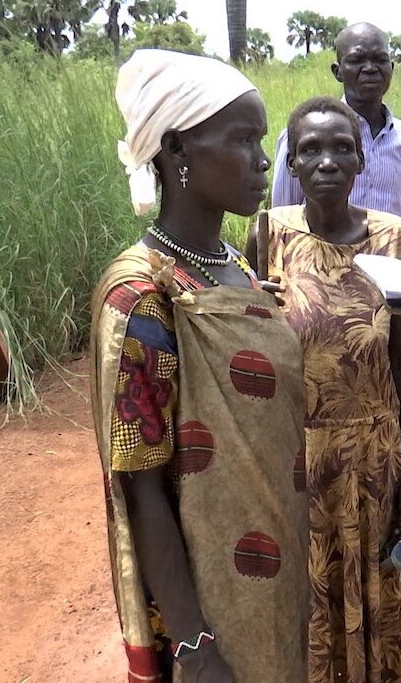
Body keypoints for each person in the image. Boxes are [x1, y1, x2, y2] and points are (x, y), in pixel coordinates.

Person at [91, 50, 308, 683]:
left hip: (278, 564)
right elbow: (142, 483)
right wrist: (193, 644)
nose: (264, 160)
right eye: (242, 140)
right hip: (211, 603)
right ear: (178, 151)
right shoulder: (143, 298)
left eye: (261, 140)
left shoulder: (235, 268)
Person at [250, 96, 401, 683]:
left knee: (373, 593)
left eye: (342, 148)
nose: (327, 160)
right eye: (311, 149)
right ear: (292, 165)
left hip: (374, 459)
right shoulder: (267, 233)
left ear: (361, 163)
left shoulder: (396, 241)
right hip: (296, 458)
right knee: (307, 600)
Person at [270, 22, 401, 219]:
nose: (370, 68)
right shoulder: (303, 135)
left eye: (380, 59)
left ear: (391, 68)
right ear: (338, 71)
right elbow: (283, 216)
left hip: (386, 249)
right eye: (356, 60)